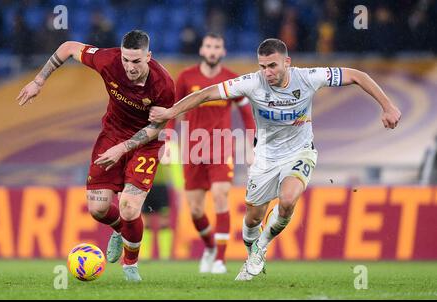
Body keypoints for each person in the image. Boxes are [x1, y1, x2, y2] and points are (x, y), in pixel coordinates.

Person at [149, 38, 401, 280]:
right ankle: (253, 245)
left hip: (300, 151)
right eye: (262, 66)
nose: (267, 72)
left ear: (287, 62)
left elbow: (358, 75)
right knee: (253, 219)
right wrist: (172, 112)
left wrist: (387, 106)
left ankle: (261, 247)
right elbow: (206, 94)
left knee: (288, 200)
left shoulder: (309, 78)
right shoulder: (252, 83)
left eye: (272, 66)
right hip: (266, 158)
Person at [16, 30, 175, 282]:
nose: (129, 67)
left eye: (136, 61)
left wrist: (123, 148)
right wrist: (39, 81)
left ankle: (130, 266)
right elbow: (68, 47)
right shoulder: (108, 60)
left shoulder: (163, 84)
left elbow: (156, 127)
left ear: (149, 56)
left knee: (130, 208)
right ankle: (120, 230)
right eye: (126, 59)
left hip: (145, 144)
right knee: (98, 209)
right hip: (111, 136)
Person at [167, 33, 255, 274]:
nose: (213, 50)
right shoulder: (186, 78)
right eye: (209, 46)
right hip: (193, 149)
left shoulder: (231, 80)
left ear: (223, 52)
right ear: (202, 50)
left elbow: (247, 115)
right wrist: (166, 140)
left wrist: (252, 144)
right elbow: (172, 112)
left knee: (220, 196)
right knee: (195, 210)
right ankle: (209, 248)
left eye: (217, 46)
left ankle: (220, 261)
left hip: (221, 147)